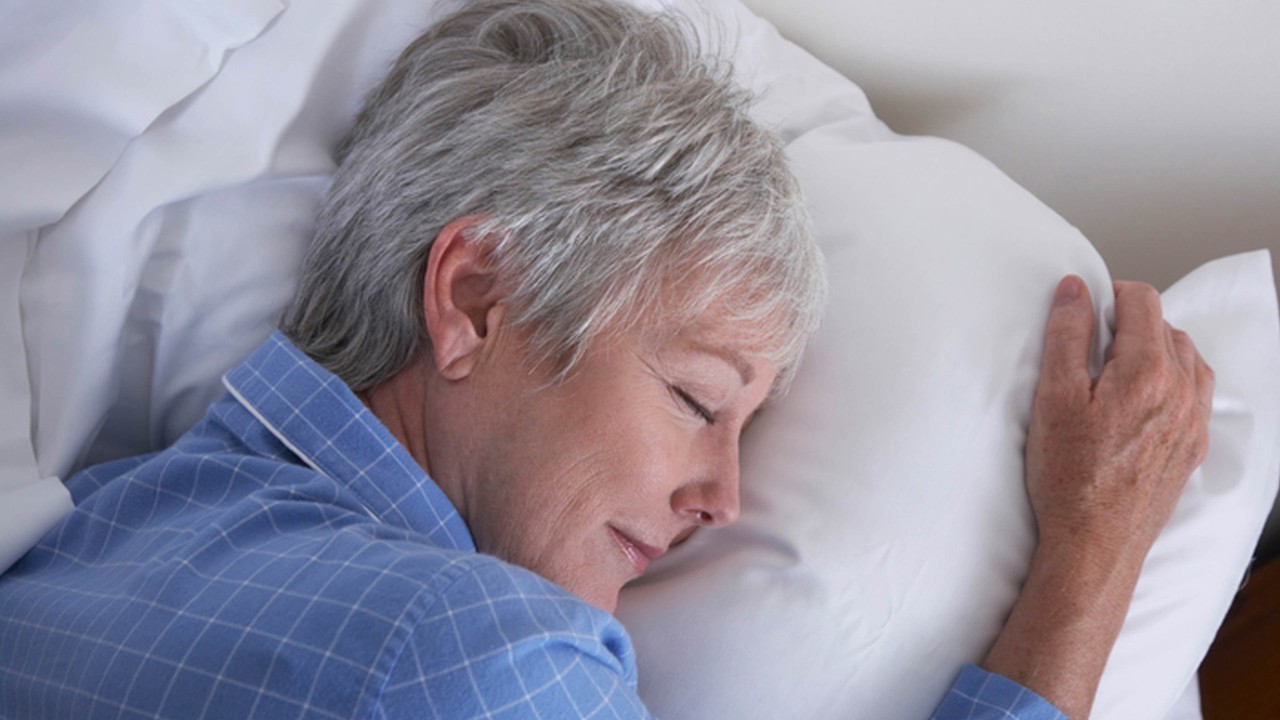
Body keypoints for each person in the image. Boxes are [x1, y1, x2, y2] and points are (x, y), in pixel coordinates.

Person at [0, 0, 1211, 718]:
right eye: (695, 397)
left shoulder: (89, 532)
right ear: (473, 295)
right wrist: (1089, 560)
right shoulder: (485, 657)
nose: (723, 499)